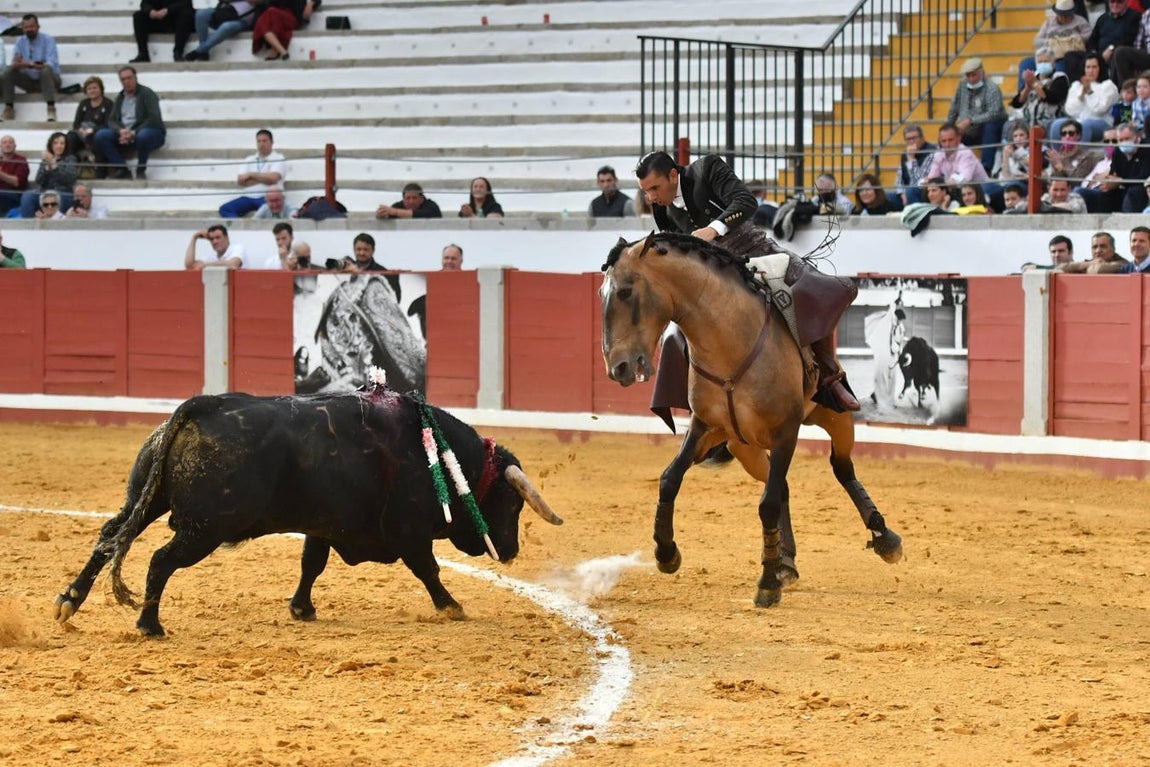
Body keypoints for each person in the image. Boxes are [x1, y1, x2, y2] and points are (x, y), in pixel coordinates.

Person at [634, 150, 861, 412]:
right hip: (709, 274)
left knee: (810, 286)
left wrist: (713, 229)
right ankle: (701, 407)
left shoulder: (706, 168)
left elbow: (745, 202)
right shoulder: (661, 208)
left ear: (673, 175)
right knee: (677, 330)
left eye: (654, 188)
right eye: (645, 191)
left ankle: (830, 378)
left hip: (752, 251)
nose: (651, 197)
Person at [93, 66, 166, 181]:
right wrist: (121, 131)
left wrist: (134, 132)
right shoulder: (120, 97)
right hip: (126, 132)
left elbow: (153, 118)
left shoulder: (147, 94)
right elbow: (112, 120)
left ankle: (141, 169)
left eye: (129, 78)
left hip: (148, 132)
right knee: (101, 135)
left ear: (135, 78)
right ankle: (121, 168)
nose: (126, 82)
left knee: (143, 136)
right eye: (123, 79)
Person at [947, 57, 1008, 175]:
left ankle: (986, 169)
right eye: (968, 76)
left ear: (982, 73)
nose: (971, 79)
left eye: (974, 75)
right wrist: (949, 126)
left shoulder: (992, 88)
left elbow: (994, 113)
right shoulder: (962, 85)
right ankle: (949, 169)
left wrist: (970, 121)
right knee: (948, 135)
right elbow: (955, 106)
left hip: (990, 130)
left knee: (990, 126)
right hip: (969, 130)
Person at [1017, 0, 1091, 90]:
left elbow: (1089, 35)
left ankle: (1056, 93)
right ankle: (1022, 93)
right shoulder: (1049, 23)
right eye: (1061, 15)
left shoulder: (1080, 21)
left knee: (1060, 68)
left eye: (1067, 15)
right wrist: (1051, 42)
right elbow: (1036, 41)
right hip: (1047, 55)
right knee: (1026, 63)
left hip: (1065, 57)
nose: (1064, 18)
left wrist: (1070, 39)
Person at [0, 14, 61, 122]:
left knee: (45, 71)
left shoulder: (48, 40)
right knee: (8, 72)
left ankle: (51, 108)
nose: (29, 30)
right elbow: (15, 63)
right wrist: (19, 64)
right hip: (29, 81)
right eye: (26, 27)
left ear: (38, 26)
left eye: (32, 26)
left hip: (50, 79)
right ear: (23, 28)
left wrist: (28, 64)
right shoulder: (20, 41)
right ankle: (9, 108)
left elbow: (49, 64)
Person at [1050, 52, 1119, 142]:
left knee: (1084, 125)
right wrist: (1082, 95)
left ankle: (1077, 153)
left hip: (1102, 122)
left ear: (1100, 68)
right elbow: (1070, 110)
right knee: (1056, 124)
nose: (1090, 71)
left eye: (1094, 67)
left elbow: (1099, 110)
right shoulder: (1076, 85)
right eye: (1088, 67)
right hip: (1078, 121)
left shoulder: (1108, 85)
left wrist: (1089, 92)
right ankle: (1057, 154)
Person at [219, 129, 285, 218]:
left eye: (264, 141)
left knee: (272, 213)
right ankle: (241, 228)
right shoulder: (249, 159)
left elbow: (273, 179)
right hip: (248, 197)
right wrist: (264, 177)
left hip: (267, 197)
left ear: (271, 142)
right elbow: (241, 181)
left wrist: (251, 175)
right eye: (259, 141)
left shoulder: (278, 158)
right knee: (225, 209)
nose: (261, 144)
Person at [1088, 121, 1150, 211]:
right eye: (1121, 140)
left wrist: (1121, 181)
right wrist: (1108, 181)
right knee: (1098, 193)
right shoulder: (1118, 151)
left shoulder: (1147, 149)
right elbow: (1114, 173)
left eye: (1127, 139)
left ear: (1136, 137)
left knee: (1134, 192)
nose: (1124, 142)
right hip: (1121, 188)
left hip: (1140, 190)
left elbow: (1144, 177)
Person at [1011, 46, 1071, 133]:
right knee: (1010, 126)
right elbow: (1017, 103)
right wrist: (1027, 87)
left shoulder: (1059, 77)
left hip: (1050, 121)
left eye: (1046, 61)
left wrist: (1035, 84)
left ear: (1053, 63)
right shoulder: (1032, 77)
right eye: (1040, 62)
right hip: (1028, 121)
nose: (1042, 64)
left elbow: (1053, 98)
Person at [18, 131, 77, 218]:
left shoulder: (70, 159)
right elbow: (39, 181)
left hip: (63, 192)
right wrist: (47, 167)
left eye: (62, 143)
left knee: (56, 199)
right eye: (55, 143)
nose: (59, 146)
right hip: (44, 192)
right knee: (28, 196)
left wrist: (54, 164)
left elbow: (69, 180)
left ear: (66, 145)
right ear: (51, 145)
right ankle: (28, 225)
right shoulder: (46, 159)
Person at [185, 0, 266, 62]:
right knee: (201, 14)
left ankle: (199, 50)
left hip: (242, 20)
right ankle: (204, 52)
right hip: (224, 12)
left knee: (226, 26)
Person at [923, 123, 992, 192]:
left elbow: (963, 179)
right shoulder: (938, 154)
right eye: (943, 141)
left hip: (981, 189)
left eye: (950, 140)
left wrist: (941, 183)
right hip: (960, 190)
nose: (947, 145)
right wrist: (927, 181)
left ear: (959, 139)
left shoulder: (965, 153)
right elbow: (932, 177)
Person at [69, 76, 114, 175]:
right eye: (89, 89)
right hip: (83, 132)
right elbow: (76, 123)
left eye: (94, 88)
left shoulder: (108, 104)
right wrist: (80, 130)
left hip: (98, 133)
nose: (92, 91)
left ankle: (101, 172)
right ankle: (71, 167)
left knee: (97, 138)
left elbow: (109, 124)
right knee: (71, 136)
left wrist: (93, 130)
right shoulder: (83, 103)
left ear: (100, 89)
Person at [1045, 119, 1104, 187]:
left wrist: (1062, 168)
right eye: (1064, 134)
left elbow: (1077, 182)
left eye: (1071, 133)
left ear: (1078, 136)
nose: (1067, 136)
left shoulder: (1087, 156)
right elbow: (1050, 180)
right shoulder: (1057, 156)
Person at [131, 0, 196, 63]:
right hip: (158, 19)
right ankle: (143, 54)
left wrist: (167, 10)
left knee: (186, 15)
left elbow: (186, 3)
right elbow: (144, 3)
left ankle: (178, 51)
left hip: (176, 19)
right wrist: (150, 11)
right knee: (138, 16)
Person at [1089, 0, 1140, 74]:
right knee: (1073, 56)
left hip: (1118, 54)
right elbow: (1092, 40)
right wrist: (1093, 53)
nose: (1115, 5)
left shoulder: (1134, 17)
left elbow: (1129, 40)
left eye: (1119, 2)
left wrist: (1111, 49)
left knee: (1118, 54)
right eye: (1112, 2)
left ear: (1126, 2)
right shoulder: (1103, 18)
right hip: (1100, 55)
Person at [898, 124, 936, 205]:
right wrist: (902, 194)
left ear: (922, 138)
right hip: (908, 191)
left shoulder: (931, 152)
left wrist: (911, 159)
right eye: (908, 139)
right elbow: (899, 178)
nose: (911, 141)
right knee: (889, 197)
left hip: (925, 191)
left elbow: (919, 182)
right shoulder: (905, 154)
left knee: (911, 191)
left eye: (914, 138)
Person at [1111, 6, 1150, 85]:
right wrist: (1136, 61)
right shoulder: (1147, 14)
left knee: (1120, 52)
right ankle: (1124, 91)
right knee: (1119, 53)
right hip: (1148, 56)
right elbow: (1139, 42)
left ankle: (1125, 91)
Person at [1056, 230, 1129, 272]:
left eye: (1103, 246)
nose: (1098, 250)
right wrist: (1089, 264)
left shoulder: (1124, 264)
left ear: (1113, 249)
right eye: (1094, 247)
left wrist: (1085, 267)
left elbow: (1098, 270)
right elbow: (1059, 268)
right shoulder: (1090, 262)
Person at [376, 182, 442, 219]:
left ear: (422, 199)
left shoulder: (432, 206)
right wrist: (382, 214)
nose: (411, 201)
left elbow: (420, 214)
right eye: (408, 198)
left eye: (414, 198)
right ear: (403, 199)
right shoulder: (398, 206)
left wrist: (396, 212)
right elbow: (388, 215)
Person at [0, 135, 29, 216]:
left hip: (15, 195)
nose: (7, 144)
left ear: (15, 146)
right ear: (1, 146)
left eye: (10, 142)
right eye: (4, 142)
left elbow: (16, 182)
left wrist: (1, 174)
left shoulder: (21, 160)